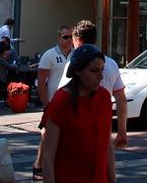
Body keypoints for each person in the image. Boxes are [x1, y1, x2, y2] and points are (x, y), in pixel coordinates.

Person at [43, 44, 114, 183]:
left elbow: (108, 145)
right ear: (77, 71)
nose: (100, 76)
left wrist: (113, 179)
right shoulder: (61, 100)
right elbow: (48, 157)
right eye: (93, 70)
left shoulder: (104, 97)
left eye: (102, 69)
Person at [56, 20, 127, 148]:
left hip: (76, 133)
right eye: (94, 71)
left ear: (77, 40)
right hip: (102, 131)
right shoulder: (111, 64)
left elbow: (61, 98)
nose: (100, 76)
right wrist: (122, 131)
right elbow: (121, 100)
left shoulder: (73, 65)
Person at [33, 26, 74, 180]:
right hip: (53, 101)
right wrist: (45, 103)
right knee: (47, 134)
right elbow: (41, 81)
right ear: (58, 38)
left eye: (71, 37)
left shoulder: (75, 54)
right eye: (65, 37)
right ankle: (39, 165)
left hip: (71, 102)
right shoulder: (49, 55)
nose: (69, 40)